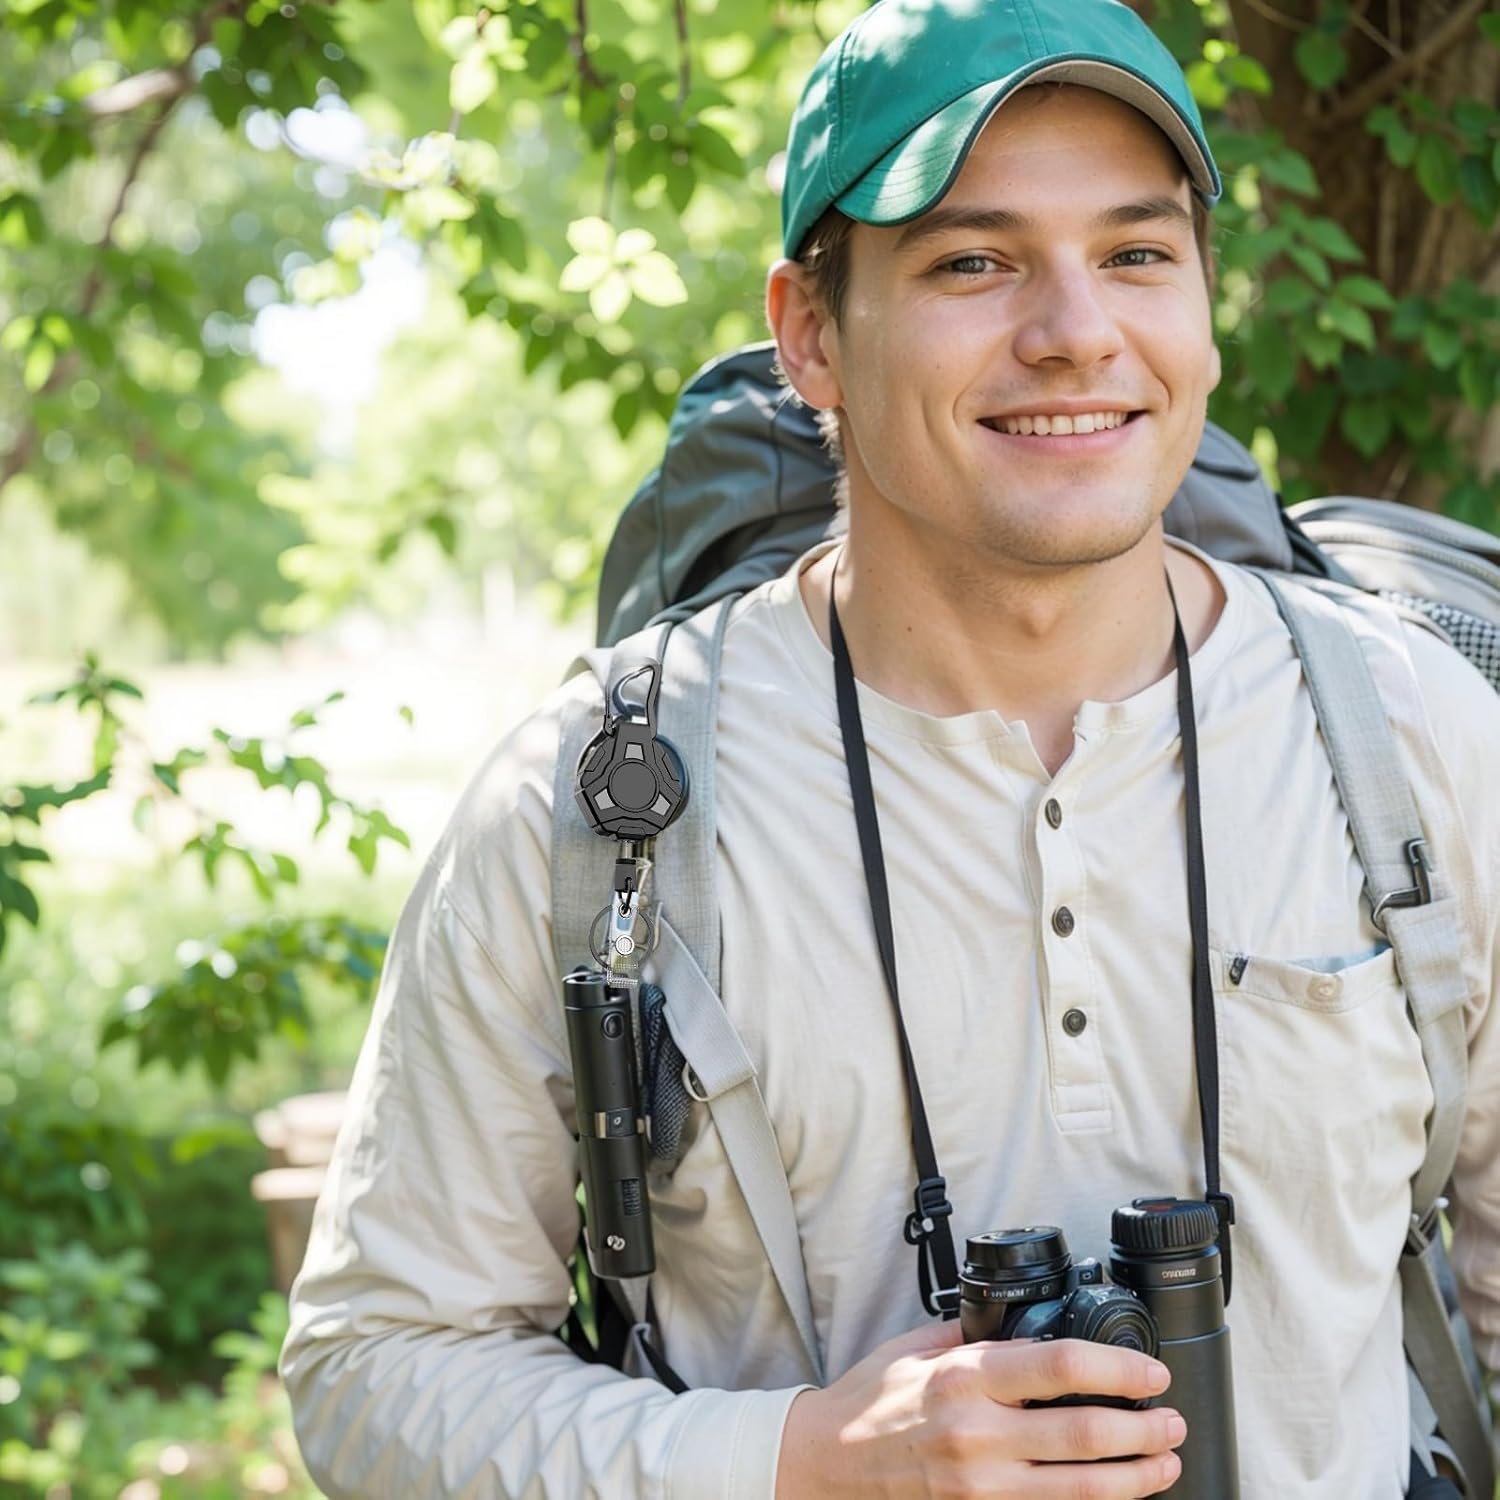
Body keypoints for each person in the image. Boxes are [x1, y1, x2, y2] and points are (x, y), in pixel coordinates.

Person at [281, 1, 1500, 1496]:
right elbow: (374, 1369)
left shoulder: (1411, 737)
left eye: (1137, 253)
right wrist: (792, 1460)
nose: (1074, 333)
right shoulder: (596, 807)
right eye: (973, 262)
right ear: (812, 333)